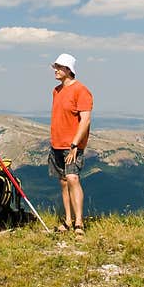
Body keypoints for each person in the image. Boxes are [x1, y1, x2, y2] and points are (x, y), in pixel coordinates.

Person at [48, 53, 93, 237]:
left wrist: (75, 144)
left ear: (68, 70)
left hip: (71, 145)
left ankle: (79, 223)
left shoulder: (81, 90)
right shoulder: (56, 91)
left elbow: (85, 119)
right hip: (56, 143)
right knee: (64, 182)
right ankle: (67, 221)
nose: (56, 71)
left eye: (59, 67)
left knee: (73, 178)